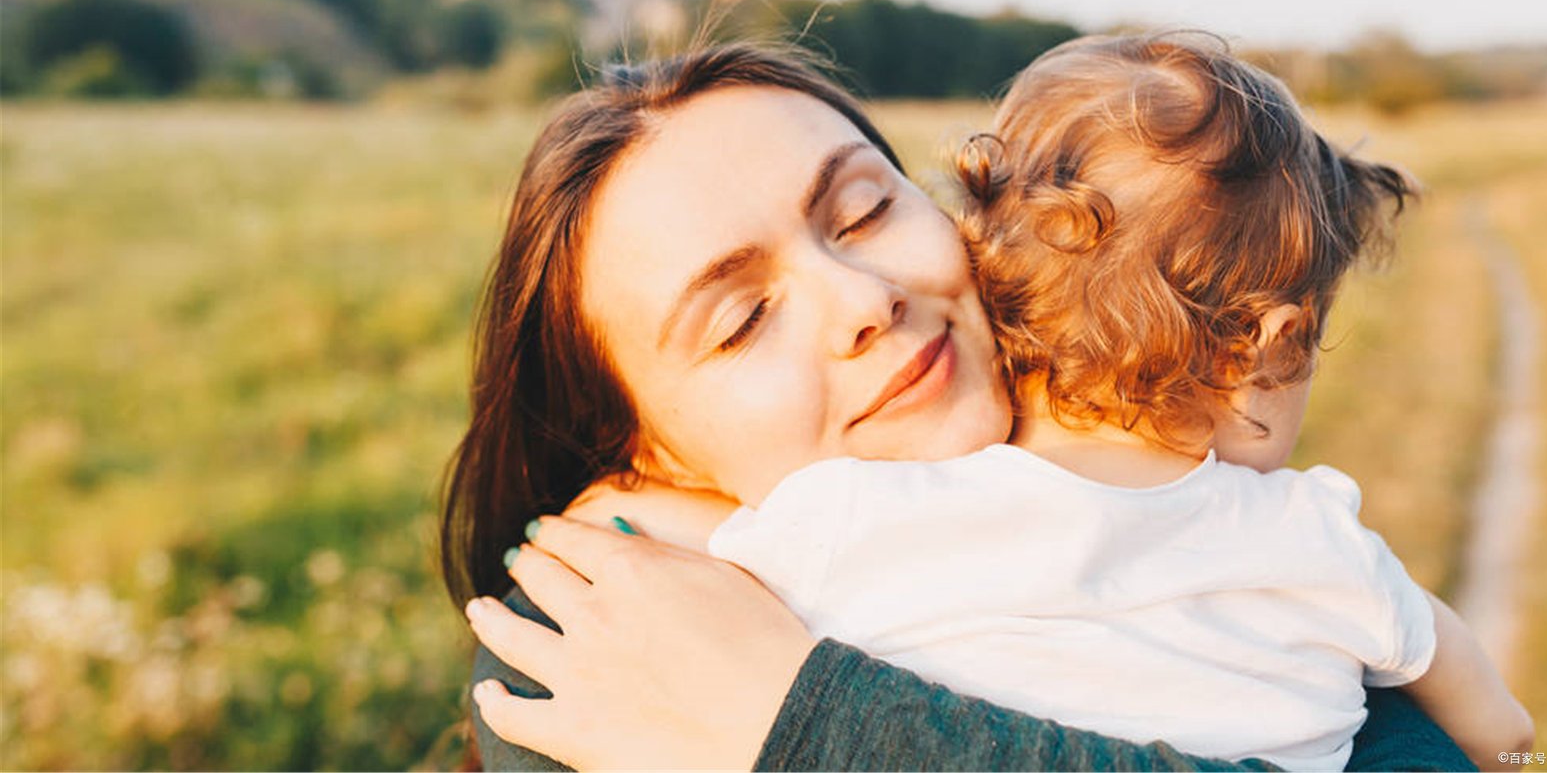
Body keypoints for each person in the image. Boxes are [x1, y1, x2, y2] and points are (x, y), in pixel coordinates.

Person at [444, 41, 1474, 770]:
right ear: (644, 455)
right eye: (741, 320)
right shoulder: (579, 659)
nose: (863, 298)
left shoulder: (1177, 510)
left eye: (863, 208)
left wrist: (802, 723)